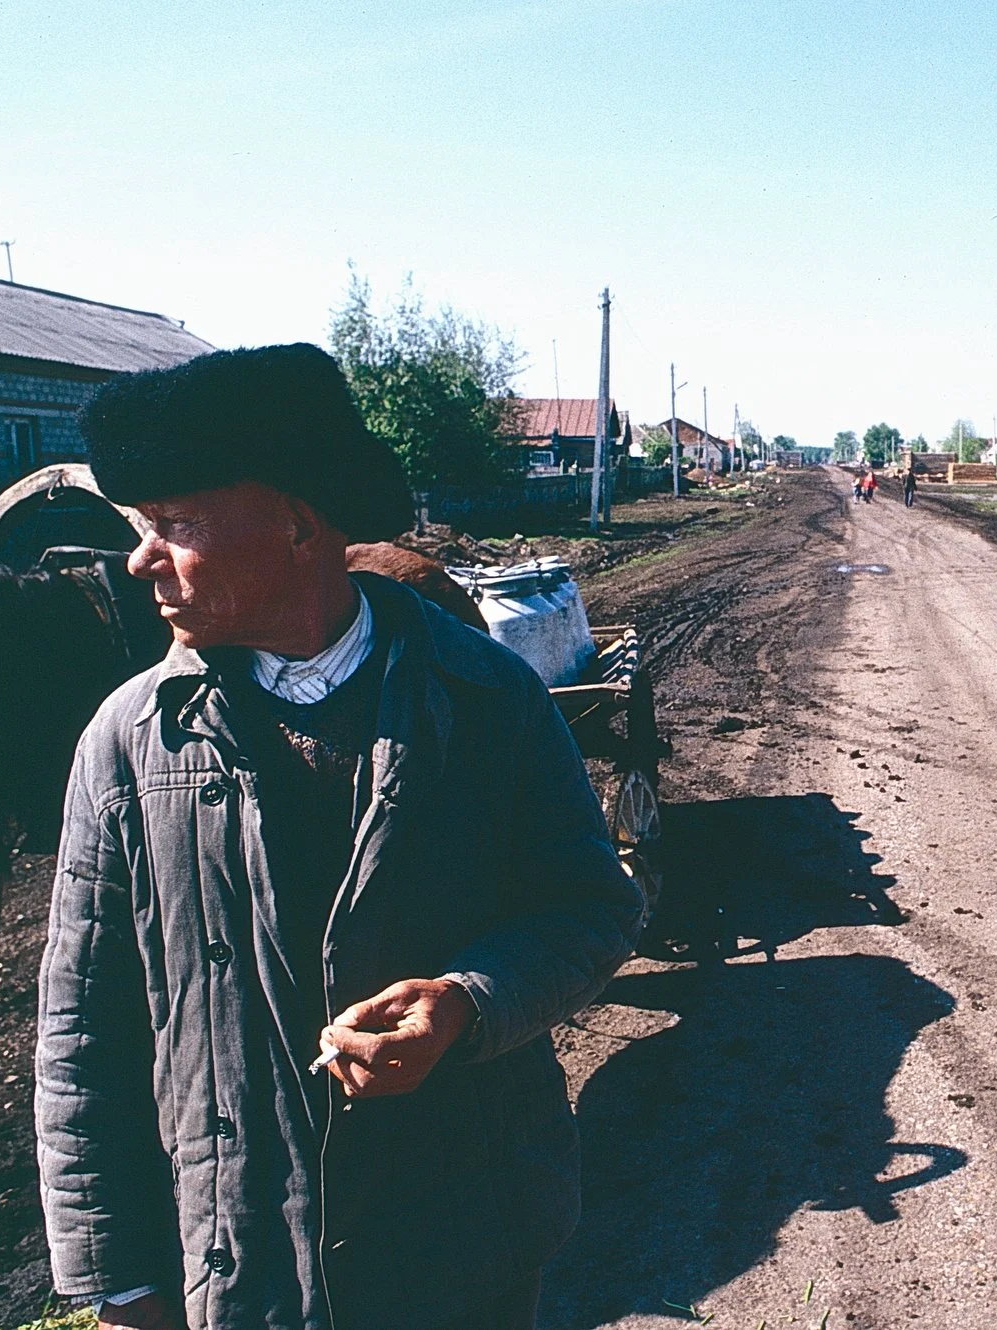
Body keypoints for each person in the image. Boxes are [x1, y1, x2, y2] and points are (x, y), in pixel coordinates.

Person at [34, 344, 643, 1330]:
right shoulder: (130, 741)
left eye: (175, 523)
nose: (141, 558)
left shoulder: (485, 700)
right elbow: (81, 1025)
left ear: (297, 522)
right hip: (237, 1263)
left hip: (462, 1246)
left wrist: (465, 1002)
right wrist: (114, 1274)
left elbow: (590, 906)